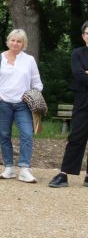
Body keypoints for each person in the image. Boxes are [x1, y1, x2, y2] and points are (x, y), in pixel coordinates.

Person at [0, 29, 43, 183]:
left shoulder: (29, 60)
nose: (15, 43)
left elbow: (37, 84)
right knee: (4, 135)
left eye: (19, 41)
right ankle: (9, 167)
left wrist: (30, 95)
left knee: (27, 134)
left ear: (23, 44)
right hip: (2, 103)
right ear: (8, 41)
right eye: (13, 40)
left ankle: (24, 168)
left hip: (22, 105)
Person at [49, 22, 88, 188]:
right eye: (87, 32)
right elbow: (79, 76)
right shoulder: (77, 53)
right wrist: (84, 73)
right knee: (76, 136)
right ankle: (64, 174)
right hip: (83, 100)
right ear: (83, 35)